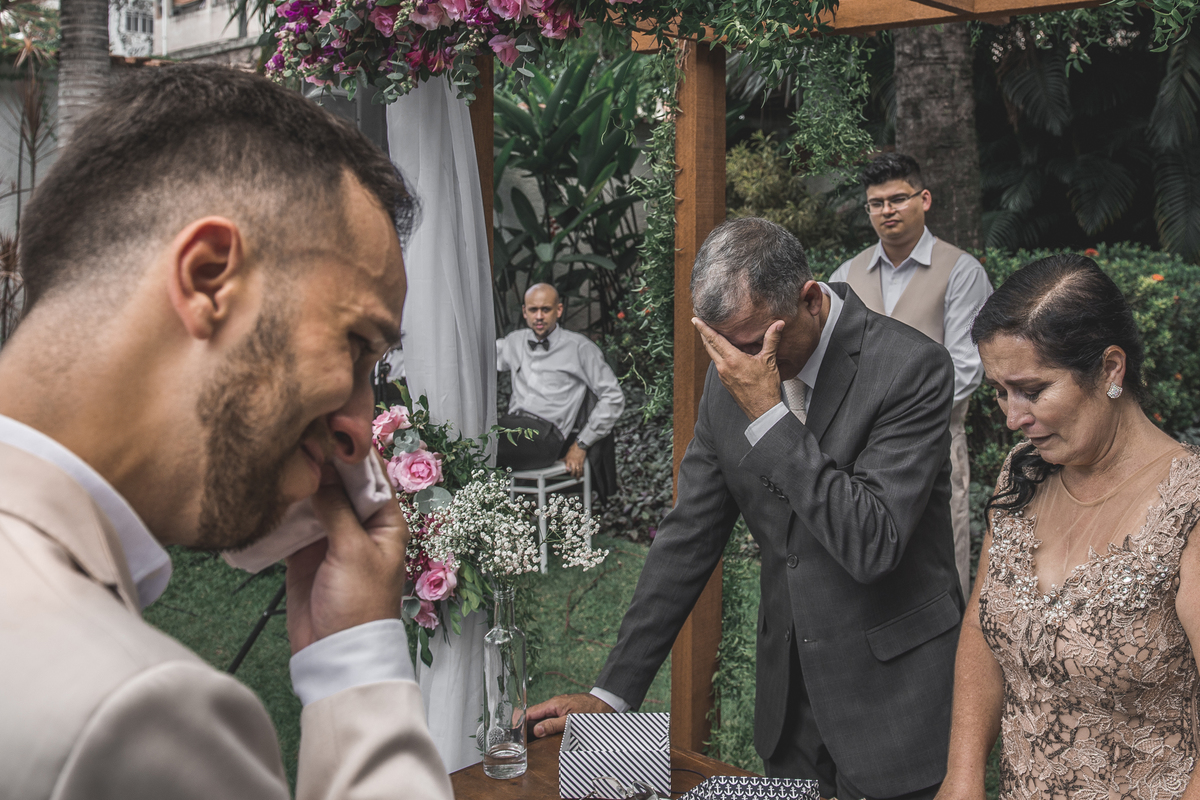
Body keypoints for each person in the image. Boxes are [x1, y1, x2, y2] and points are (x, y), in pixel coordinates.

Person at [0, 65, 453, 799]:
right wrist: (359, 664)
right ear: (211, 278)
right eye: (358, 346)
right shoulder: (127, 716)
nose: (358, 427)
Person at [529, 218, 962, 800]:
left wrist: (771, 417)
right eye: (723, 345)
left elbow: (873, 542)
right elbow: (689, 535)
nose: (739, 365)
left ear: (809, 300)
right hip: (792, 705)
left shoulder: (911, 368)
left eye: (756, 341)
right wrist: (611, 696)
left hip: (894, 703)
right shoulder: (732, 372)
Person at [937, 254, 1200, 800]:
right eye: (1000, 392)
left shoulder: (1188, 505)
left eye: (1032, 391)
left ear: (1109, 369)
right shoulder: (1024, 472)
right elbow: (983, 628)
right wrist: (962, 776)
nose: (1013, 417)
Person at [830, 153, 993, 600]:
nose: (887, 210)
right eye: (876, 203)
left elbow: (966, 367)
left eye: (898, 198)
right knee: (863, 556)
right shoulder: (845, 276)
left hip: (934, 445)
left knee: (943, 558)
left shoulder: (961, 271)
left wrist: (894, 413)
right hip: (853, 450)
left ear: (924, 199)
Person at [496, 282, 624, 479]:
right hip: (512, 425)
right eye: (533, 310)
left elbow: (613, 397)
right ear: (524, 312)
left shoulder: (579, 348)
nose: (539, 316)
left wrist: (582, 443)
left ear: (559, 310)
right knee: (474, 433)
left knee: (485, 438)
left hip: (546, 436)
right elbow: (478, 358)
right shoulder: (514, 341)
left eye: (545, 310)